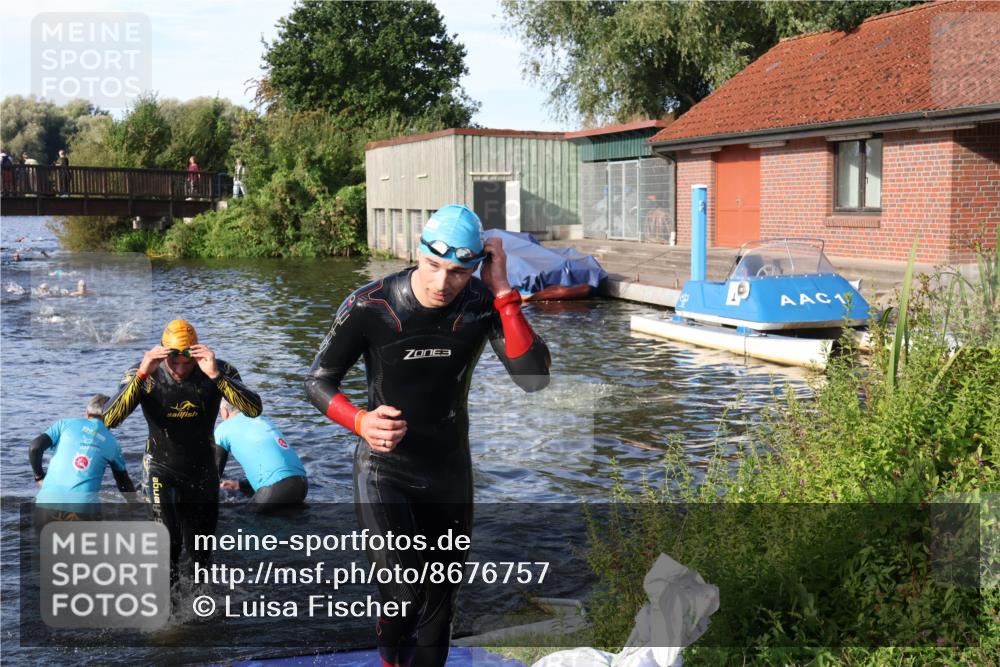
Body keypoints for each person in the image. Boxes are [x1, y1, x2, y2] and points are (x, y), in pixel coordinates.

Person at [304, 204, 551, 667]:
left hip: (448, 472)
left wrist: (502, 292)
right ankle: (388, 659)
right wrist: (361, 421)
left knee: (441, 606)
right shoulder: (370, 304)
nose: (443, 284)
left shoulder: (481, 303)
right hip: (384, 470)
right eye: (434, 266)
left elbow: (533, 378)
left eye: (459, 271)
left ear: (478, 265)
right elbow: (317, 381)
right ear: (418, 252)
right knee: (404, 590)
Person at [103, 319, 262, 586]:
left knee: (201, 553)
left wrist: (216, 377)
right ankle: (169, 615)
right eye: (174, 362)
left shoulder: (218, 369)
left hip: (202, 470)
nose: (181, 369)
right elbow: (109, 419)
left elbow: (253, 409)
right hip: (159, 468)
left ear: (196, 353)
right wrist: (142, 374)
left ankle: (200, 611)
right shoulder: (144, 373)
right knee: (168, 547)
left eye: (187, 362)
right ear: (164, 353)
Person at [30, 394, 136, 523]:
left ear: (86, 412)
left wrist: (39, 476)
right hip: (83, 510)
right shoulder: (112, 443)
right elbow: (123, 483)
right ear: (111, 415)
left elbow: (35, 448)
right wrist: (135, 507)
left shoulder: (64, 424)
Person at [214, 400, 308, 511]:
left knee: (244, 521)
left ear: (224, 412)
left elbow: (214, 473)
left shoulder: (223, 429)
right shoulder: (263, 419)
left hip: (276, 489)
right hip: (301, 484)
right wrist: (239, 485)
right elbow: (274, 469)